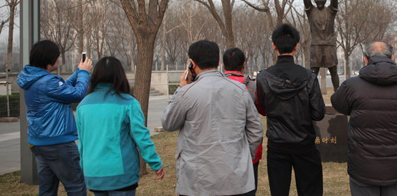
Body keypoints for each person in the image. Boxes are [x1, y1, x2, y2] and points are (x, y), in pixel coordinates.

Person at [161, 40, 263, 196]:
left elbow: (168, 123)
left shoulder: (186, 93)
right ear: (219, 61)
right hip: (236, 179)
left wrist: (180, 89)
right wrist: (244, 157)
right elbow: (256, 130)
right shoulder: (240, 90)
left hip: (197, 181)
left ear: (192, 64)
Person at [331, 41, 397, 196]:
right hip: (395, 167)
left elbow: (338, 104)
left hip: (362, 166)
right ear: (392, 58)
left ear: (365, 59)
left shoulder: (351, 86)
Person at [76, 56, 164, 195]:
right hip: (121, 175)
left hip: (93, 173)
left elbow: (82, 143)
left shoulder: (83, 105)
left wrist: (84, 167)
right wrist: (155, 163)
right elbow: (141, 137)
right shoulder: (128, 102)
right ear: (120, 75)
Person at [256, 24, 326, 196]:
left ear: (274, 46)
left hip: (277, 145)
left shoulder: (264, 77)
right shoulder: (309, 76)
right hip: (304, 143)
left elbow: (263, 108)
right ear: (296, 47)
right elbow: (318, 112)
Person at [17, 40, 92, 196]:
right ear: (49, 59)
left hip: (39, 142)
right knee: (76, 186)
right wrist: (85, 73)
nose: (59, 59)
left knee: (47, 189)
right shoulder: (48, 82)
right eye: (57, 57)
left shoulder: (34, 79)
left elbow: (62, 88)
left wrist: (78, 72)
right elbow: (77, 94)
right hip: (58, 143)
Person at [222, 47, 262, 196]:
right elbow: (261, 112)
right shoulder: (252, 86)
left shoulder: (215, 85)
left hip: (222, 149)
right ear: (243, 64)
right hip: (249, 150)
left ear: (224, 65)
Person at [302, 0, 340, 91]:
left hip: (329, 45)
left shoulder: (331, 11)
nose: (319, 1)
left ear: (325, 0)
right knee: (313, 73)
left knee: (333, 70)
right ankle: (309, 96)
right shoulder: (311, 11)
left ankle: (337, 95)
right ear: (315, 0)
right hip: (316, 45)